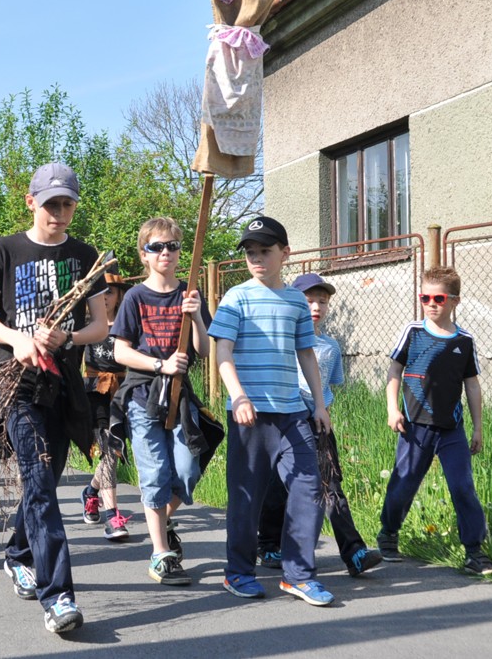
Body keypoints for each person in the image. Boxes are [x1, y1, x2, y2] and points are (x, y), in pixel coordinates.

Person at [0, 162, 108, 634]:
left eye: (67, 203)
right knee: (37, 479)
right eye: (51, 203)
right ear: (32, 202)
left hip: (64, 385)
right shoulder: (5, 250)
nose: (59, 211)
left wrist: (67, 339)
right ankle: (58, 597)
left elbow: (100, 326)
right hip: (18, 385)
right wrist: (17, 339)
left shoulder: (84, 255)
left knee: (44, 484)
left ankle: (17, 553)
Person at [208, 216, 334, 606]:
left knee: (309, 487)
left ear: (285, 253)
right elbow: (222, 352)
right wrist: (239, 396)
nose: (257, 258)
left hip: (293, 411)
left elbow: (306, 354)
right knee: (247, 496)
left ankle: (297, 575)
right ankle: (238, 572)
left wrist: (319, 403)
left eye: (265, 250)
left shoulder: (296, 300)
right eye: (250, 252)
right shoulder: (236, 297)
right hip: (251, 415)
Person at [255, 273, 384, 577]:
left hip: (317, 422)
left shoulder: (331, 347)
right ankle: (269, 544)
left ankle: (354, 553)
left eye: (322, 301)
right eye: (309, 300)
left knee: (331, 485)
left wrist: (323, 410)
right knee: (277, 486)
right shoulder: (281, 340)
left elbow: (330, 383)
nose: (315, 306)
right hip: (285, 420)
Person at [378, 266, 492, 576]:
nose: (431, 303)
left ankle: (475, 552)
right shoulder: (413, 332)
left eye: (439, 298)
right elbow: (394, 372)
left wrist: (478, 427)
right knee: (403, 484)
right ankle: (389, 533)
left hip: (452, 430)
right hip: (415, 426)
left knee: (462, 487)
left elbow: (472, 384)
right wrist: (393, 409)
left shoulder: (465, 340)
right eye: (425, 297)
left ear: (455, 301)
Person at [111, 218, 212, 586]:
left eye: (172, 246)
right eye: (157, 247)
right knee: (154, 473)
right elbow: (120, 351)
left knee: (186, 471)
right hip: (142, 396)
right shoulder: (136, 297)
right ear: (144, 255)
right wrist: (161, 364)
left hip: (180, 397)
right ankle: (160, 555)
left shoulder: (189, 293)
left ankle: (161, 517)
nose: (166, 252)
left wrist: (196, 315)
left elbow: (202, 349)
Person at [81, 272, 132, 542]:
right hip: (95, 391)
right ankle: (113, 516)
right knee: (110, 450)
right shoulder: (88, 324)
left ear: (119, 294)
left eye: (110, 291)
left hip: (123, 391)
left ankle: (91, 492)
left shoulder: (129, 322)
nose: (105, 297)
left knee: (115, 449)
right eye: (100, 292)